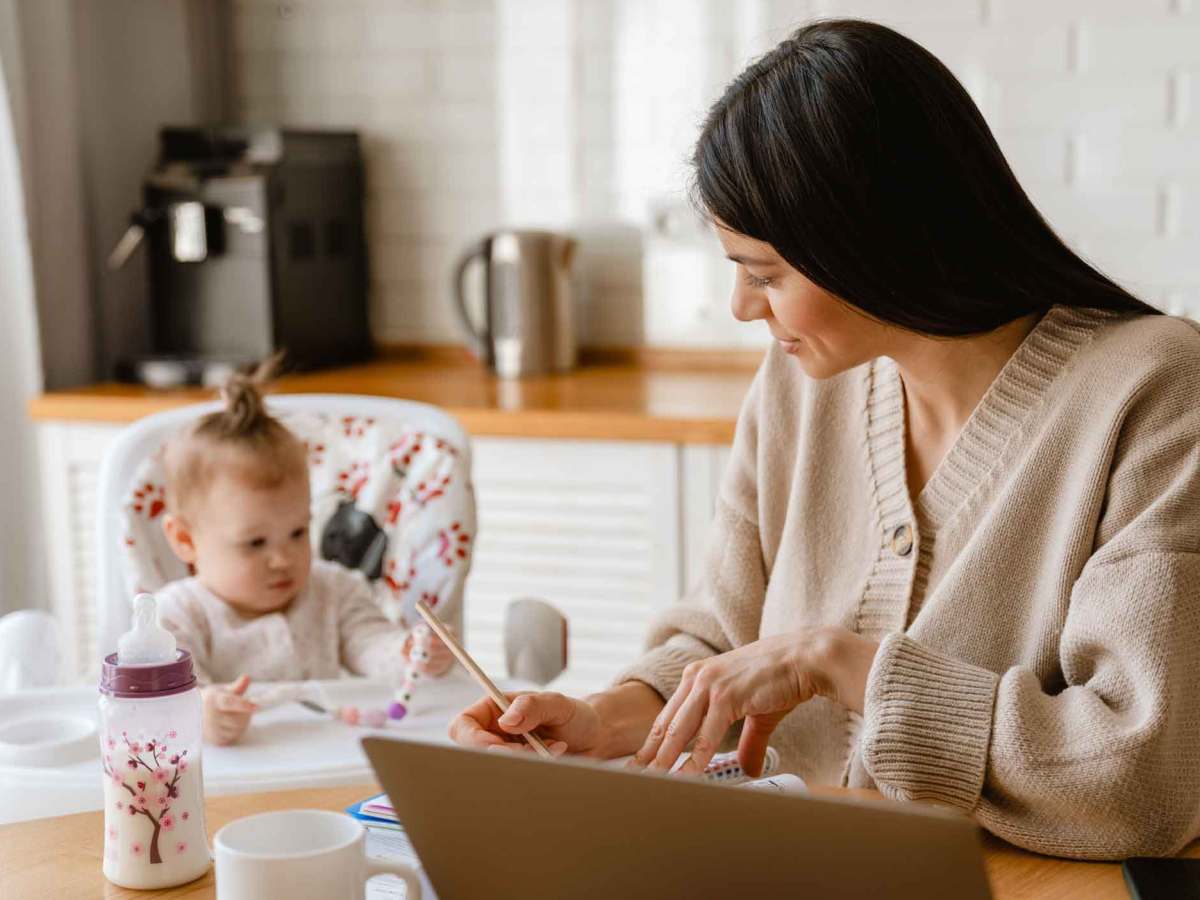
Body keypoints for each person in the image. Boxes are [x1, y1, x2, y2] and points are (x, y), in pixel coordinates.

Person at [450, 19, 1200, 860]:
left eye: (764, 274)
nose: (742, 307)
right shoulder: (800, 385)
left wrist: (839, 664)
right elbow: (723, 634)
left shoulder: (1155, 390)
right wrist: (606, 720)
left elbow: (1147, 771)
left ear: (868, 239)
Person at [157, 365, 452, 745]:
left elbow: (371, 645)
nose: (283, 558)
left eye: (297, 532)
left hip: (326, 760)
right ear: (185, 539)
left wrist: (410, 653)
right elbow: (164, 706)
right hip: (228, 784)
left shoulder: (335, 589)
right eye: (255, 543)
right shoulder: (176, 617)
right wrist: (203, 713)